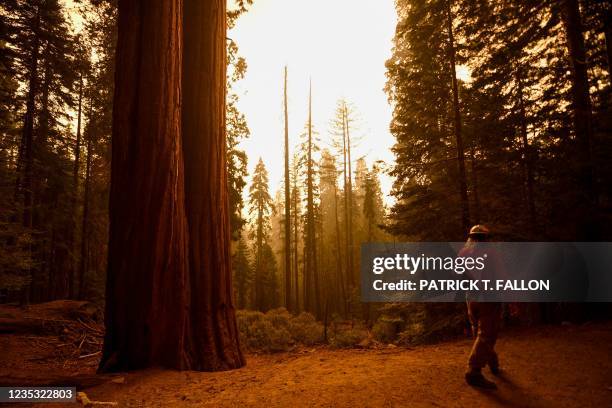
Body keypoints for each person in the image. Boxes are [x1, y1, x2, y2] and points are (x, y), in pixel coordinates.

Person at [460, 225, 502, 390]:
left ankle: (492, 361)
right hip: (489, 298)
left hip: (471, 298)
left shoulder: (463, 253)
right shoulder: (491, 253)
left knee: (480, 331)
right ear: (486, 238)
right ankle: (474, 371)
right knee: (487, 334)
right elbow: (501, 275)